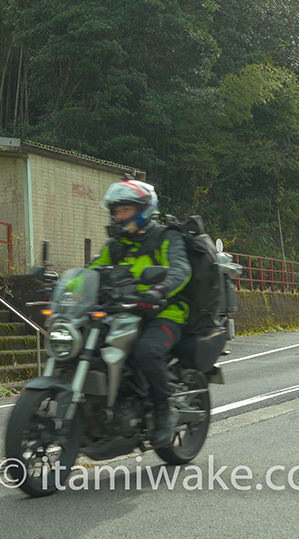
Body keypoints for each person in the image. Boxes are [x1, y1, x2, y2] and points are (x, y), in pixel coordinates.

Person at [90, 179, 192, 447]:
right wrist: (61, 291)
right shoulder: (116, 246)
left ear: (143, 210)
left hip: (165, 312)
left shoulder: (166, 237)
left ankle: (164, 410)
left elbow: (181, 270)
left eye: (125, 210)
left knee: (147, 351)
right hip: (124, 312)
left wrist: (160, 290)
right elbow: (91, 272)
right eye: (116, 211)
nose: (118, 216)